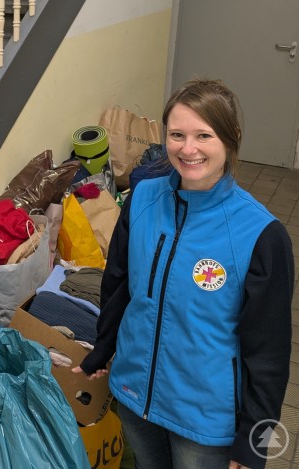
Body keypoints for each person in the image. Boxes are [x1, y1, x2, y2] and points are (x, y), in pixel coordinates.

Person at [72, 78, 295, 469]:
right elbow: (119, 285)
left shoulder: (261, 234)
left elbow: (269, 350)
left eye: (203, 135)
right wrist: (103, 351)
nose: (187, 149)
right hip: (134, 394)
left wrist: (254, 440)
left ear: (231, 137)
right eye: (177, 134)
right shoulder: (142, 198)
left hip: (204, 422)